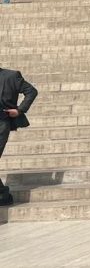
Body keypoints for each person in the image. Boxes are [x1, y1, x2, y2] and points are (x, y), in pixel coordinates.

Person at [0, 63, 38, 206]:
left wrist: (20, 110)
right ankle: (3, 194)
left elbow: (31, 91)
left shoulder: (11, 76)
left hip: (1, 122)